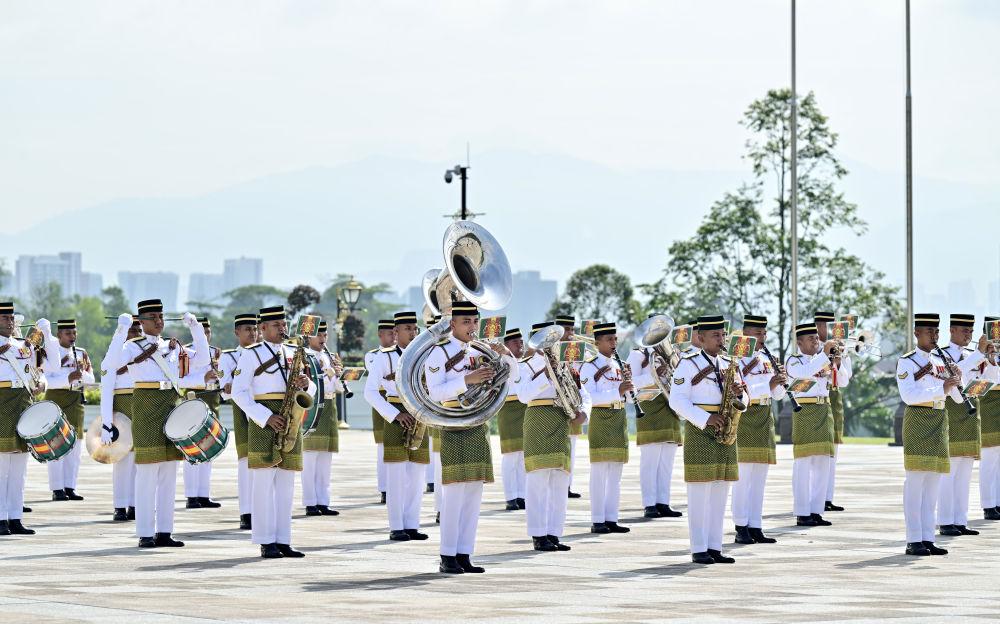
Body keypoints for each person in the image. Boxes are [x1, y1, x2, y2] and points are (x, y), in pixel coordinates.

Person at [109, 300, 210, 548]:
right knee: (146, 474)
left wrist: (196, 329)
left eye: (161, 316)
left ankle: (165, 532)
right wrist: (121, 331)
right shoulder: (132, 346)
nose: (158, 321)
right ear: (141, 322)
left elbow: (203, 361)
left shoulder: (172, 346)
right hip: (146, 408)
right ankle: (145, 533)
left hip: (170, 407)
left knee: (169, 472)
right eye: (152, 317)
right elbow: (109, 364)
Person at [425, 301, 505, 574]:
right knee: (454, 492)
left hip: (478, 422)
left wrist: (505, 356)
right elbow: (435, 392)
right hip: (454, 422)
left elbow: (511, 378)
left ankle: (465, 553)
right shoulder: (439, 352)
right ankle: (447, 555)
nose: (472, 327)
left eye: (474, 321)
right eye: (466, 322)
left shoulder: (481, 350)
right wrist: (467, 380)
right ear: (452, 324)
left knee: (474, 492)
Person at [230, 305, 314, 558]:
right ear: (263, 328)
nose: (283, 329)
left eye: (284, 324)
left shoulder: (293, 352)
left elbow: (310, 390)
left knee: (287, 484)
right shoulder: (251, 354)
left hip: (290, 418)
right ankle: (266, 540)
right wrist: (265, 417)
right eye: (277, 325)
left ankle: (284, 540)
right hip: (264, 421)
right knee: (263, 483)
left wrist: (306, 385)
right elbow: (238, 393)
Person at [669, 315, 747, 565]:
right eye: (715, 335)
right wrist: (706, 418)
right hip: (700, 429)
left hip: (726, 429)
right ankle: (699, 548)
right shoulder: (688, 364)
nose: (721, 340)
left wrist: (740, 395)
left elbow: (745, 398)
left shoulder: (728, 363)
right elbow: (676, 400)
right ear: (701, 338)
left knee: (721, 491)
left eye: (723, 335)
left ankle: (715, 546)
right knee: (699, 493)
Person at [518, 321, 591, 552]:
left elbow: (583, 393)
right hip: (538, 419)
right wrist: (546, 377)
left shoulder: (566, 364)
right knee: (538, 480)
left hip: (562, 419)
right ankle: (538, 534)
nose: (550, 344)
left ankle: (554, 532)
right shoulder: (526, 365)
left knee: (560, 481)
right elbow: (523, 395)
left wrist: (584, 413)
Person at [363, 311, 430, 541]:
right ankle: (396, 526)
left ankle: (412, 524)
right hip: (396, 414)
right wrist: (394, 415)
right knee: (396, 476)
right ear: (396, 332)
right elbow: (370, 392)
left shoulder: (424, 355)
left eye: (415, 328)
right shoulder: (384, 357)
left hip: (419, 415)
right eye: (407, 329)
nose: (413, 333)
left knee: (417, 475)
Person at [897, 313, 959, 556]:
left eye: (936, 332)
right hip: (918, 418)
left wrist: (957, 379)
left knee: (933, 483)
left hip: (939, 418)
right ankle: (913, 539)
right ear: (917, 333)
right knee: (915, 483)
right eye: (929, 331)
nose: (934, 336)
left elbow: (956, 397)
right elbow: (909, 396)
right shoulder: (907, 361)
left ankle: (927, 537)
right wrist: (941, 387)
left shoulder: (941, 360)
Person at [0, 303, 59, 536]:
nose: (10, 322)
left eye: (11, 318)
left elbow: (49, 367)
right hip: (1, 405)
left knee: (19, 469)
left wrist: (42, 382)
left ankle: (15, 517)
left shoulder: (22, 346)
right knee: (1, 468)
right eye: (5, 318)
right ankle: (0, 518)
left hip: (23, 404)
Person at [730, 314, 786, 544]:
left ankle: (755, 525)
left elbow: (778, 395)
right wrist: (768, 384)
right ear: (745, 334)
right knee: (743, 478)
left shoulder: (766, 358)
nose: (762, 337)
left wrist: (780, 381)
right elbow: (740, 388)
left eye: (764, 333)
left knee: (759, 479)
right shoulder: (735, 359)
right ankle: (741, 525)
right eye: (757, 333)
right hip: (745, 416)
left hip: (764, 416)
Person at [785, 322, 846, 528]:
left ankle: (816, 510)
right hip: (804, 410)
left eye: (817, 338)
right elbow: (804, 374)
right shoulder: (794, 360)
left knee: (823, 464)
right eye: (811, 338)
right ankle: (802, 512)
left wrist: (838, 362)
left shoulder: (824, 359)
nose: (816, 341)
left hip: (823, 409)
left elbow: (842, 382)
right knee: (803, 464)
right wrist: (824, 356)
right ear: (800, 342)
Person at [937, 313, 988, 536]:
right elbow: (955, 372)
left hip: (970, 414)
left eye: (971, 331)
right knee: (949, 472)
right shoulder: (941, 354)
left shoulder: (972, 355)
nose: (969, 335)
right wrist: (978, 355)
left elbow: (986, 378)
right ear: (952, 331)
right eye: (964, 330)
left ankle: (960, 520)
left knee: (965, 473)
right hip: (951, 413)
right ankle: (945, 520)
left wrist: (990, 357)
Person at [628, 316, 683, 519]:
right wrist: (654, 375)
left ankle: (663, 502)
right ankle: (649, 504)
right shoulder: (638, 354)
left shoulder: (672, 353)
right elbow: (631, 382)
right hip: (649, 409)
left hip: (670, 408)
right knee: (650, 462)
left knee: (667, 463)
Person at [580, 322, 632, 535]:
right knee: (600, 473)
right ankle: (597, 520)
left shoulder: (620, 364)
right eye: (609, 339)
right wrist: (617, 391)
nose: (613, 343)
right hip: (601, 418)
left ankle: (612, 518)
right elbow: (588, 398)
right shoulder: (589, 366)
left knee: (616, 474)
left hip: (619, 417)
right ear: (597, 343)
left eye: (615, 339)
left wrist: (630, 389)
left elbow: (628, 397)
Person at [44, 319, 94, 501]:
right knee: (56, 445)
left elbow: (91, 379)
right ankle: (57, 489)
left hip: (76, 400)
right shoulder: (49, 353)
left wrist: (82, 374)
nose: (72, 336)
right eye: (68, 333)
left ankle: (70, 486)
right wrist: (68, 378)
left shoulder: (81, 353)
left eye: (74, 333)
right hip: (56, 399)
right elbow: (45, 380)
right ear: (59, 335)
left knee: (75, 446)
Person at [218, 313, 260, 530]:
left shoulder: (264, 353)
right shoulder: (229, 357)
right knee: (245, 463)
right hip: (243, 411)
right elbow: (223, 391)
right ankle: (247, 512)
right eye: (247, 330)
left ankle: (263, 510)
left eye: (255, 329)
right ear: (237, 332)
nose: (253, 333)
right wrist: (228, 387)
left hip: (265, 409)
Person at [99, 315, 142, 521]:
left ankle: (134, 504)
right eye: (132, 330)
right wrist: (106, 424)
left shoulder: (148, 353)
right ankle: (120, 506)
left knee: (139, 462)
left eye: (139, 330)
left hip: (141, 408)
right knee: (122, 462)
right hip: (122, 410)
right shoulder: (113, 357)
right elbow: (106, 393)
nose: (136, 334)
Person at [179, 317, 222, 509]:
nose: (205, 335)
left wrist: (220, 377)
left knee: (209, 447)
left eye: (208, 331)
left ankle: (204, 494)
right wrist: (202, 378)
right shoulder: (185, 351)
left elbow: (224, 376)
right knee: (191, 449)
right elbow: (181, 378)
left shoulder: (216, 352)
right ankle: (191, 495)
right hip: (193, 398)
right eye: (202, 331)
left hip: (212, 399)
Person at [301, 320, 343, 517]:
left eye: (325, 335)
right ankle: (310, 502)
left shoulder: (330, 357)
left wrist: (339, 374)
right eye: (318, 335)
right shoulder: (303, 356)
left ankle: (323, 501)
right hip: (312, 406)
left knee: (326, 459)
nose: (322, 339)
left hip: (329, 406)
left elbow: (339, 388)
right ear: (309, 337)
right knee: (309, 459)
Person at [814, 311, 852, 512]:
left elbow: (846, 378)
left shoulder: (840, 348)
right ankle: (815, 499)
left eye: (830, 325)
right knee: (817, 455)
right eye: (823, 325)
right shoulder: (812, 347)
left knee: (832, 455)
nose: (827, 330)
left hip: (834, 399)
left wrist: (840, 358)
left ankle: (827, 498)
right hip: (817, 401)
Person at [365, 319, 396, 504]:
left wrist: (391, 376)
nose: (393, 337)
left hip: (397, 399)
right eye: (390, 333)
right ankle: (384, 488)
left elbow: (389, 376)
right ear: (380, 335)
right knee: (382, 446)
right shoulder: (373, 355)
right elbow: (381, 379)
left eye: (395, 333)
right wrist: (391, 376)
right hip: (381, 399)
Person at [498, 328, 527, 511]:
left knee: (523, 456)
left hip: (525, 407)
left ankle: (522, 495)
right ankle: (510, 497)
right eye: (515, 342)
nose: (520, 345)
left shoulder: (527, 362)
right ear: (507, 345)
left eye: (521, 342)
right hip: (508, 408)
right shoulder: (501, 362)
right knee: (510, 456)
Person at [556, 314, 583, 498]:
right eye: (566, 329)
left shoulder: (577, 351)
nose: (570, 333)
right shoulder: (551, 350)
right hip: (557, 406)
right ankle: (558, 486)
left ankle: (567, 486)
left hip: (573, 404)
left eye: (572, 329)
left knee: (572, 450)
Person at [978, 316, 1000, 521]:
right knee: (989, 461)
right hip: (988, 410)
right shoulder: (978, 357)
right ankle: (988, 504)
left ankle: (998, 502)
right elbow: (984, 383)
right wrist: (990, 360)